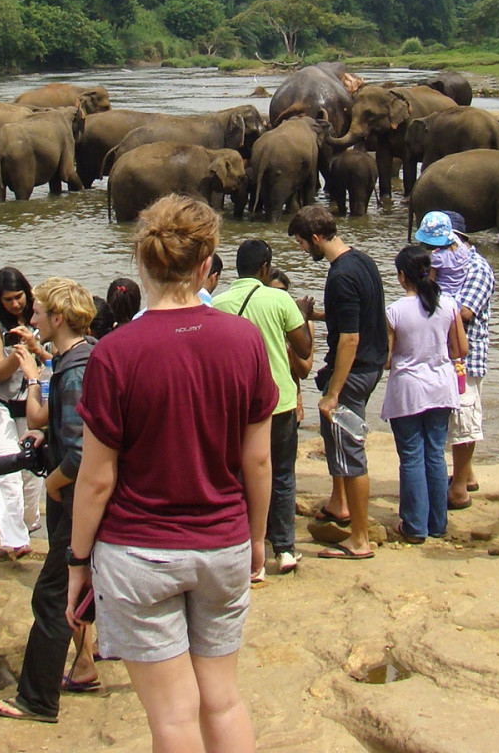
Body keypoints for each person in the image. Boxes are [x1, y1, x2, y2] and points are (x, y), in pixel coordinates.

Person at [65, 195, 274, 752]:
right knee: (222, 699)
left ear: (141, 262)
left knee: (175, 718)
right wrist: (256, 538)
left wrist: (77, 562)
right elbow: (257, 459)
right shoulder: (244, 340)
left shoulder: (115, 352)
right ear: (207, 266)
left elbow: (97, 479)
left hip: (139, 553)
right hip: (223, 543)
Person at [0, 277, 98, 723]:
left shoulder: (72, 372)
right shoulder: (88, 352)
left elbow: (79, 452)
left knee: (51, 596)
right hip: (88, 499)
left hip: (75, 501)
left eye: (37, 312)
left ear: (57, 317)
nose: (29, 319)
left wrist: (53, 484)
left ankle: (36, 700)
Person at [289, 203, 387, 560]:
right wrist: (312, 314)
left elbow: (349, 338)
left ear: (316, 238)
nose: (303, 251)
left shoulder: (340, 276)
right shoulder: (361, 261)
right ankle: (339, 503)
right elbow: (355, 312)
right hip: (370, 365)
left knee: (350, 448)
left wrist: (333, 394)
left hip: (354, 371)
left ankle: (359, 539)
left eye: (302, 244)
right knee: (338, 441)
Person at [213, 239, 312, 577]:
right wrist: (302, 317)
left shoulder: (218, 303)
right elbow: (304, 347)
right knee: (282, 474)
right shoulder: (279, 299)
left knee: (239, 476)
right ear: (265, 268)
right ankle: (283, 548)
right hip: (280, 401)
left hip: (237, 405)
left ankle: (241, 547)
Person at [381, 246, 464, 543]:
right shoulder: (448, 305)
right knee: (436, 455)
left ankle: (415, 525)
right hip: (441, 387)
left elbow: (387, 358)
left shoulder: (394, 311)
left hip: (408, 389)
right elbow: (461, 350)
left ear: (402, 277)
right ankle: (437, 523)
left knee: (412, 456)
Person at [414, 211, 493, 505]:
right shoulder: (441, 266)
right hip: (439, 353)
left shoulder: (477, 269)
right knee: (450, 416)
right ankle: (466, 474)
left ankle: (459, 487)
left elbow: (464, 313)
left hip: (466, 356)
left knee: (463, 417)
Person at [0, 267, 42, 559]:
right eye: (8, 300)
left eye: (19, 297)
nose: (15, 304)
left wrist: (35, 345)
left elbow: (49, 359)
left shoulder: (38, 316)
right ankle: (14, 539)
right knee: (7, 465)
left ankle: (29, 524)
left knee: (33, 464)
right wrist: (19, 353)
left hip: (27, 396)